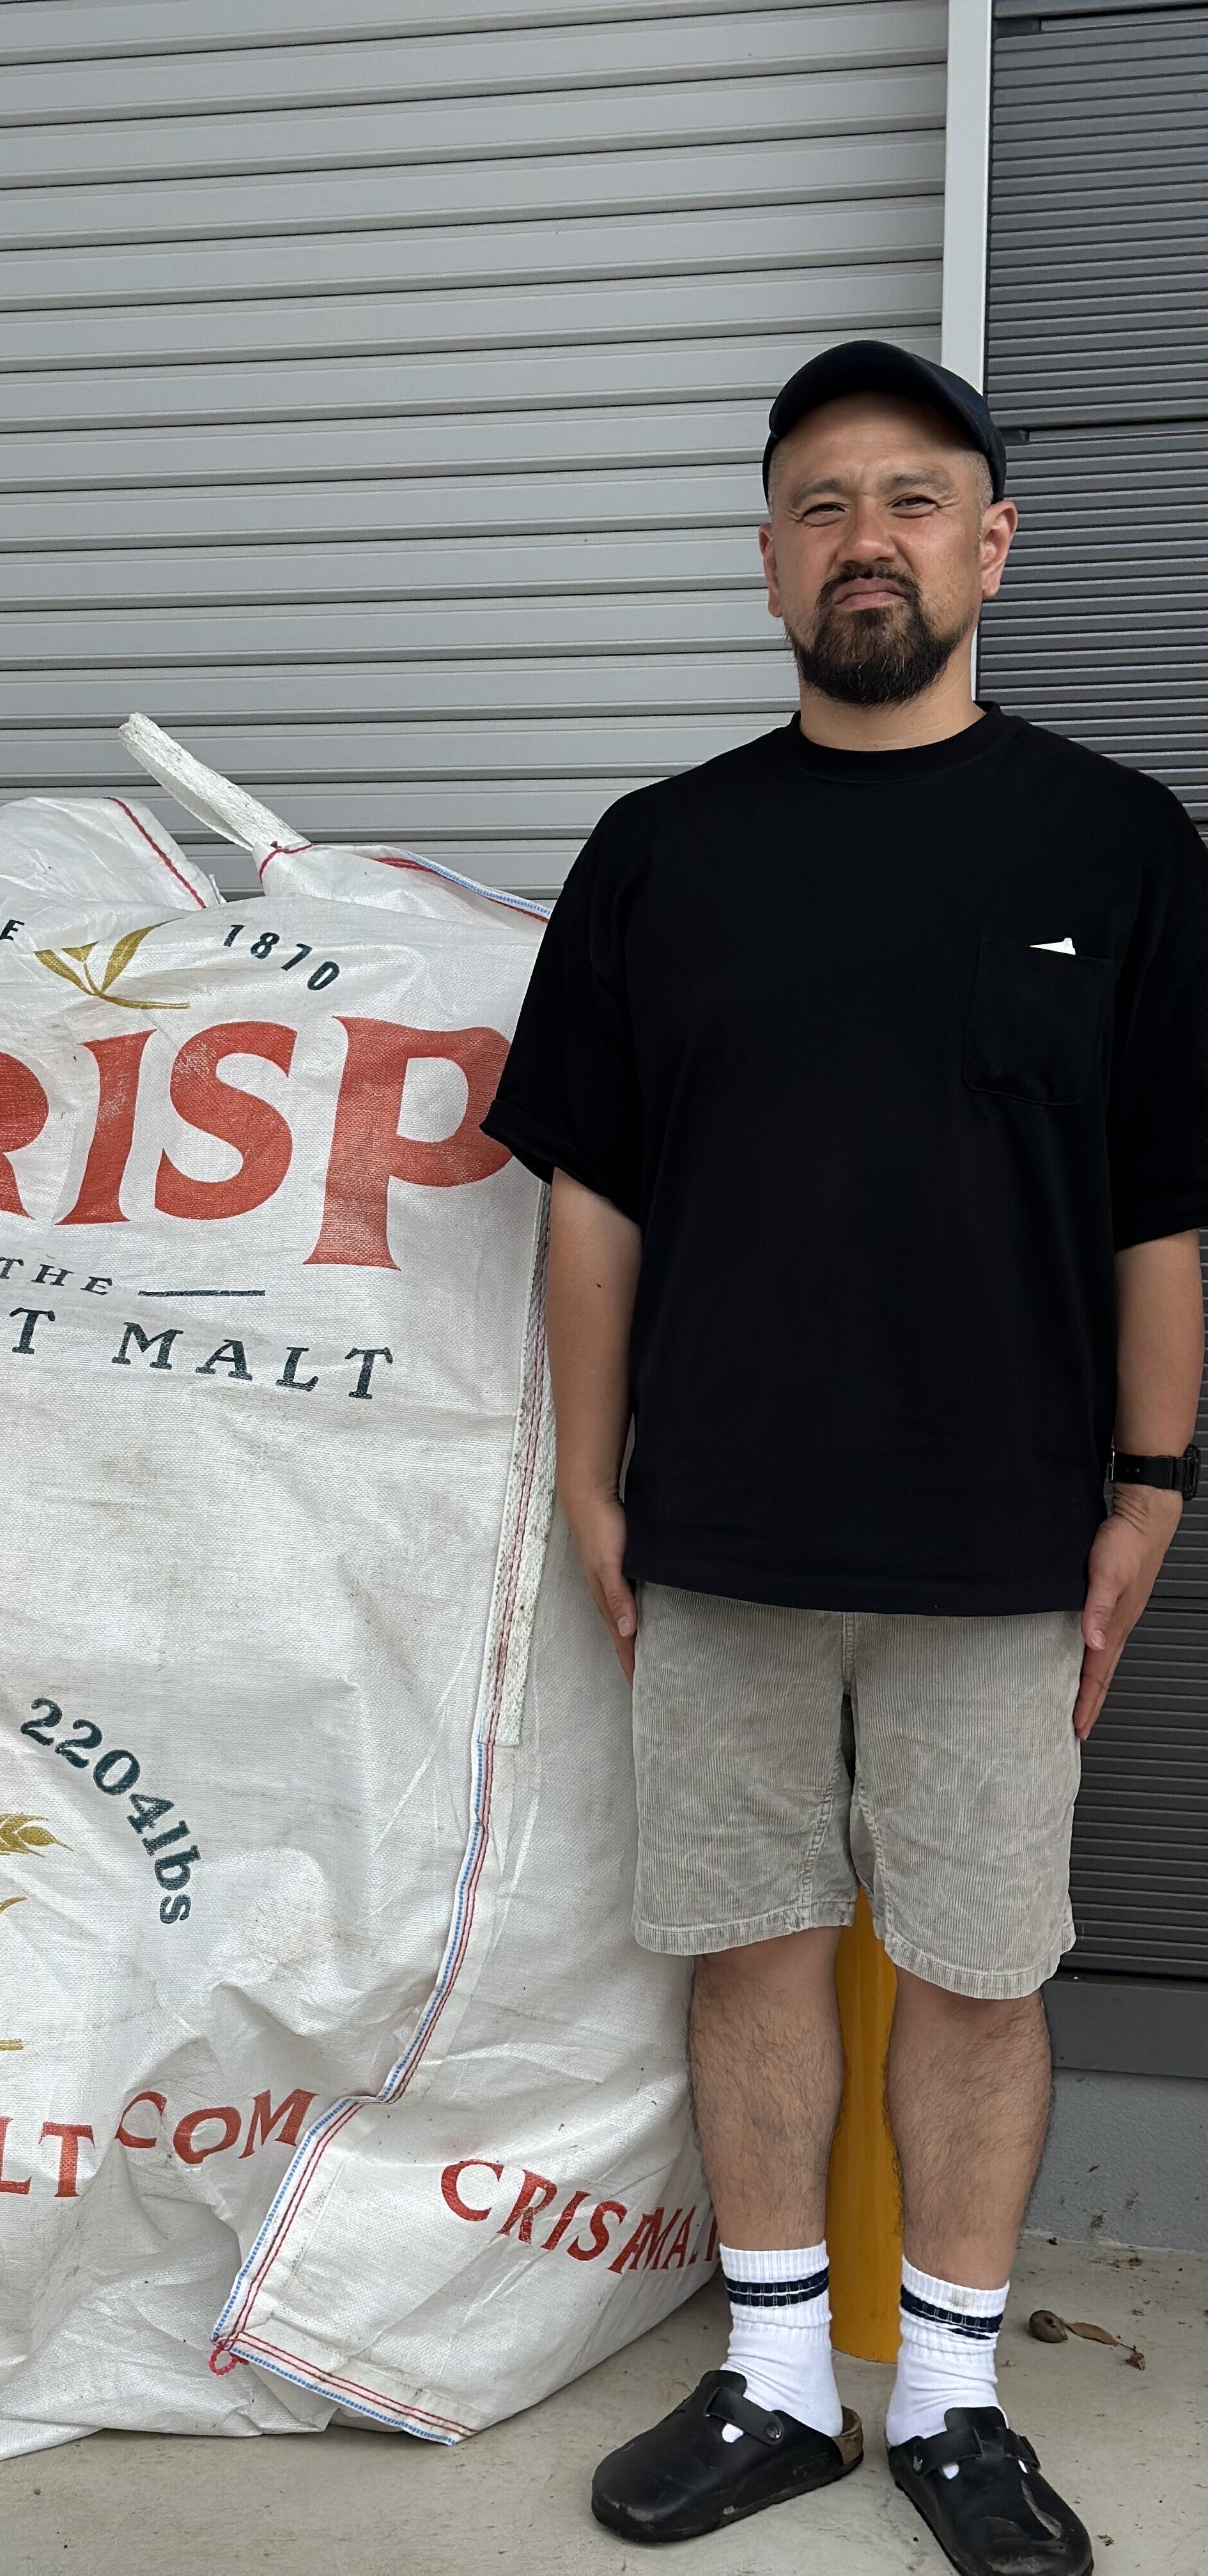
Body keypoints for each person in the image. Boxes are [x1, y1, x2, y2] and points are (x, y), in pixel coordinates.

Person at [483, 339, 1208, 2575]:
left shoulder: (1118, 844)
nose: (864, 538)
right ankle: (783, 2380)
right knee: (751, 1952)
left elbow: (1162, 1207)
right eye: (820, 503)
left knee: (985, 1969)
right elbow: (591, 1204)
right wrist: (592, 1482)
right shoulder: (661, 854)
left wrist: (1153, 1487)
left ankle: (957, 2403)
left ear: (993, 545)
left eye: (910, 499)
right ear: (770, 558)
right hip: (723, 1533)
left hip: (1005, 1540)